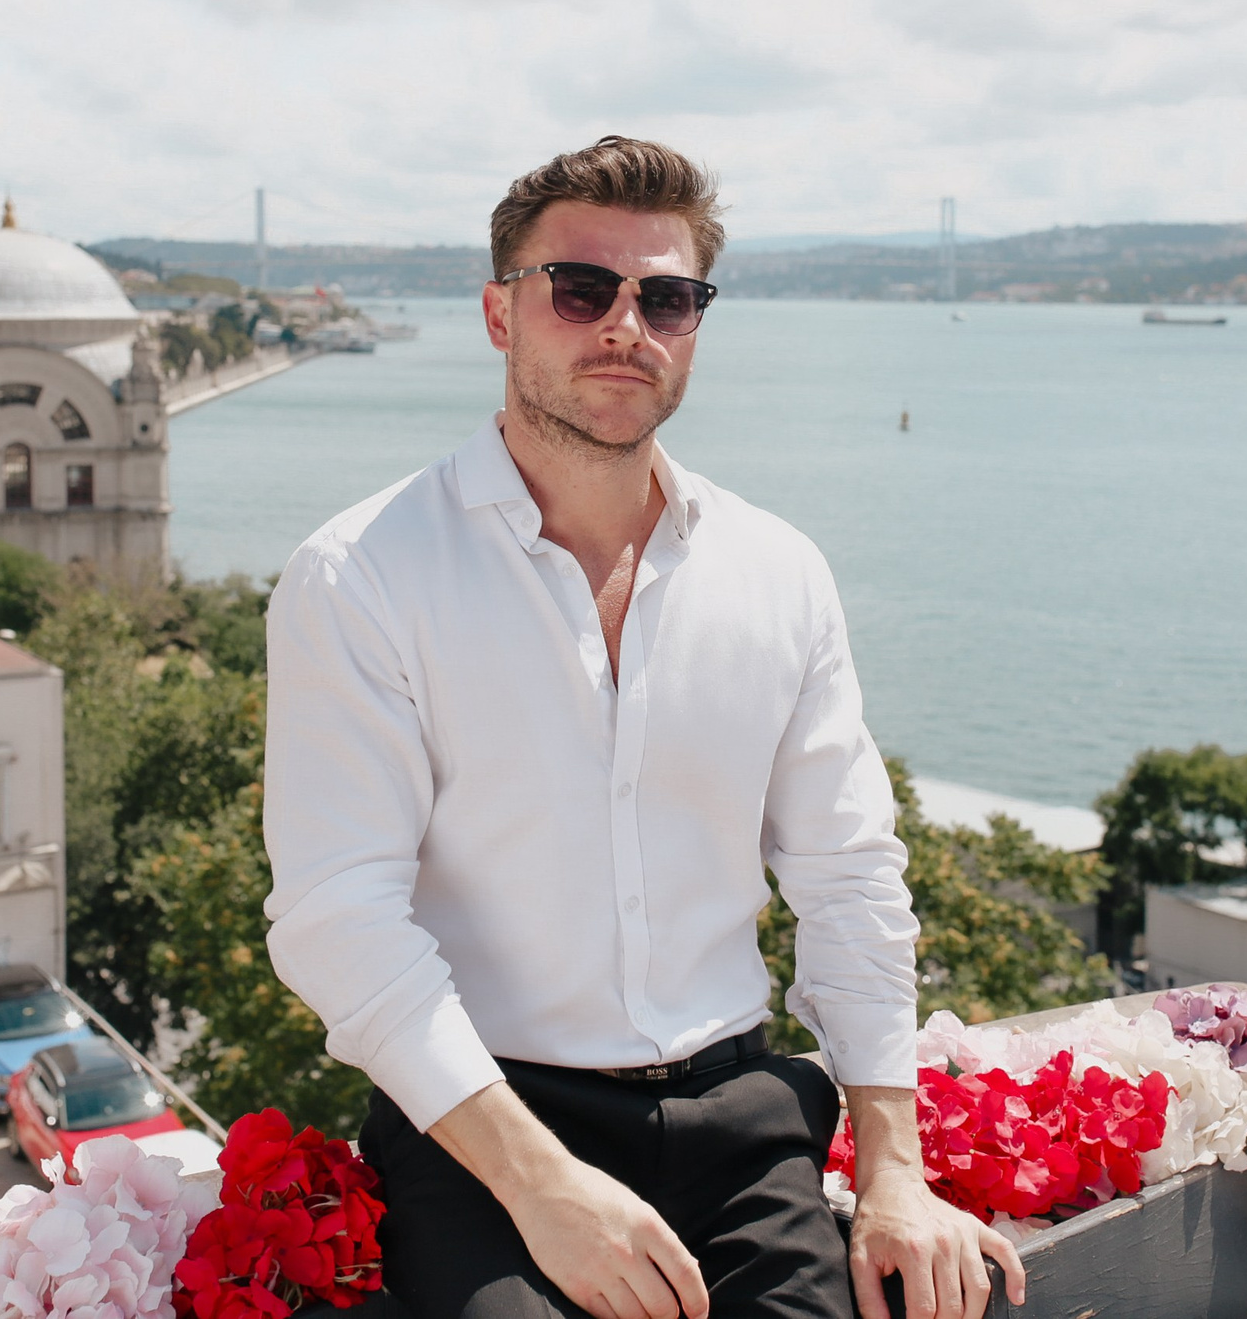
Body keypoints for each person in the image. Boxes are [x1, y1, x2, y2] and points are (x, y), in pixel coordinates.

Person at [264, 137, 1025, 1319]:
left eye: (665, 297)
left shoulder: (778, 572)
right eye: (581, 289)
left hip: (743, 1126)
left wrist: (893, 1173)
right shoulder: (361, 576)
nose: (626, 324)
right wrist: (542, 1184)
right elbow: (336, 920)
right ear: (498, 315)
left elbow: (849, 879)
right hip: (487, 1130)